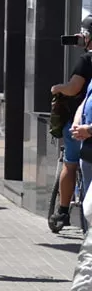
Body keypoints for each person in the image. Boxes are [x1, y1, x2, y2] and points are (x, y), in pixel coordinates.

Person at [51, 16, 92, 231]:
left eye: (83, 34)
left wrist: (58, 88)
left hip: (82, 127)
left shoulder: (86, 60)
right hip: (83, 123)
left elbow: (74, 89)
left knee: (70, 162)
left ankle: (63, 210)